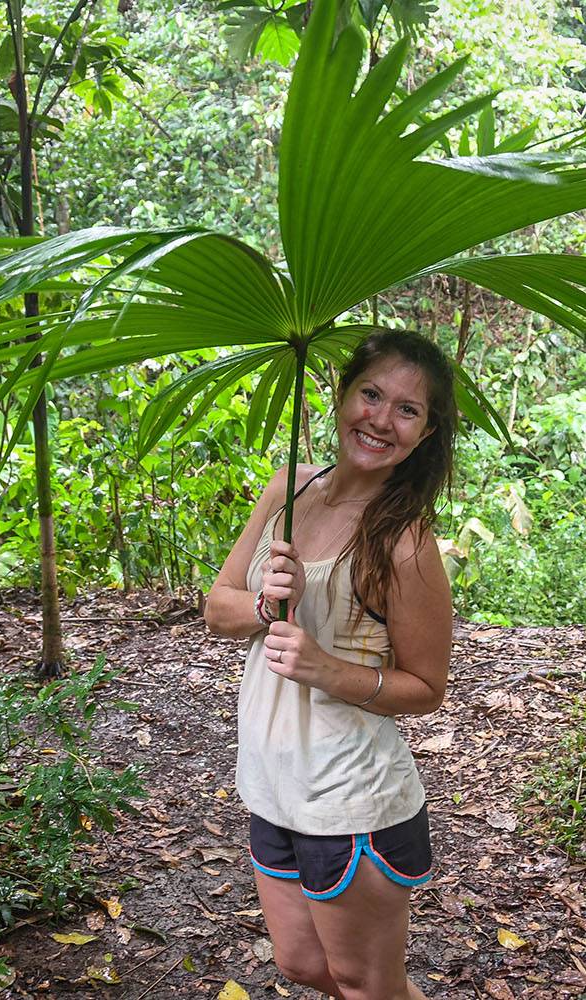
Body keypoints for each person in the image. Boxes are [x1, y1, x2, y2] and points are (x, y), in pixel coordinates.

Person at [205, 330, 457, 1000]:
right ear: (341, 395)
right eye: (371, 393)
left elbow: (427, 687)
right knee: (302, 965)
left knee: (365, 983)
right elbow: (217, 608)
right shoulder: (289, 488)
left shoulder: (405, 543)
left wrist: (325, 668)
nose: (380, 418)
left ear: (426, 433)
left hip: (352, 800)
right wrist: (267, 604)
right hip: (272, 784)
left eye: (407, 409)